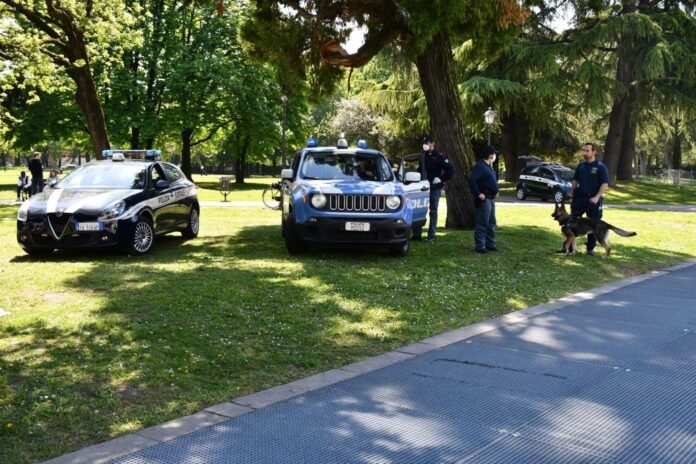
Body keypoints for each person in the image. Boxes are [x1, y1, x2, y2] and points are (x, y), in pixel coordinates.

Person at [565, 142, 609, 256]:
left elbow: (604, 185)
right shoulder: (581, 166)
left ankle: (590, 249)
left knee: (593, 224)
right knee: (573, 222)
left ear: (594, 152)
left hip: (594, 200)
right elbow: (575, 181)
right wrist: (571, 193)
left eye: (587, 150)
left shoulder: (600, 167)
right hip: (580, 198)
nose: (585, 152)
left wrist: (597, 197)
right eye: (583, 150)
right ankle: (570, 247)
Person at [413, 134, 454, 242]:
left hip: (434, 187)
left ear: (432, 144)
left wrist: (441, 179)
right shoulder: (423, 156)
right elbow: (419, 171)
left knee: (433, 211)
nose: (425, 145)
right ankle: (417, 235)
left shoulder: (438, 156)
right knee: (419, 210)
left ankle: (431, 235)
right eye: (424, 143)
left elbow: (450, 170)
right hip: (422, 188)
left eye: (427, 143)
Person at [468, 145, 500, 253]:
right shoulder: (480, 166)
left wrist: (496, 191)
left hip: (491, 198)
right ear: (489, 155)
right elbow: (472, 179)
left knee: (491, 222)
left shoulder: (489, 166)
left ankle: (490, 244)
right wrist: (478, 194)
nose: (494, 155)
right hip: (484, 199)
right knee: (483, 222)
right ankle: (480, 246)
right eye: (493, 153)